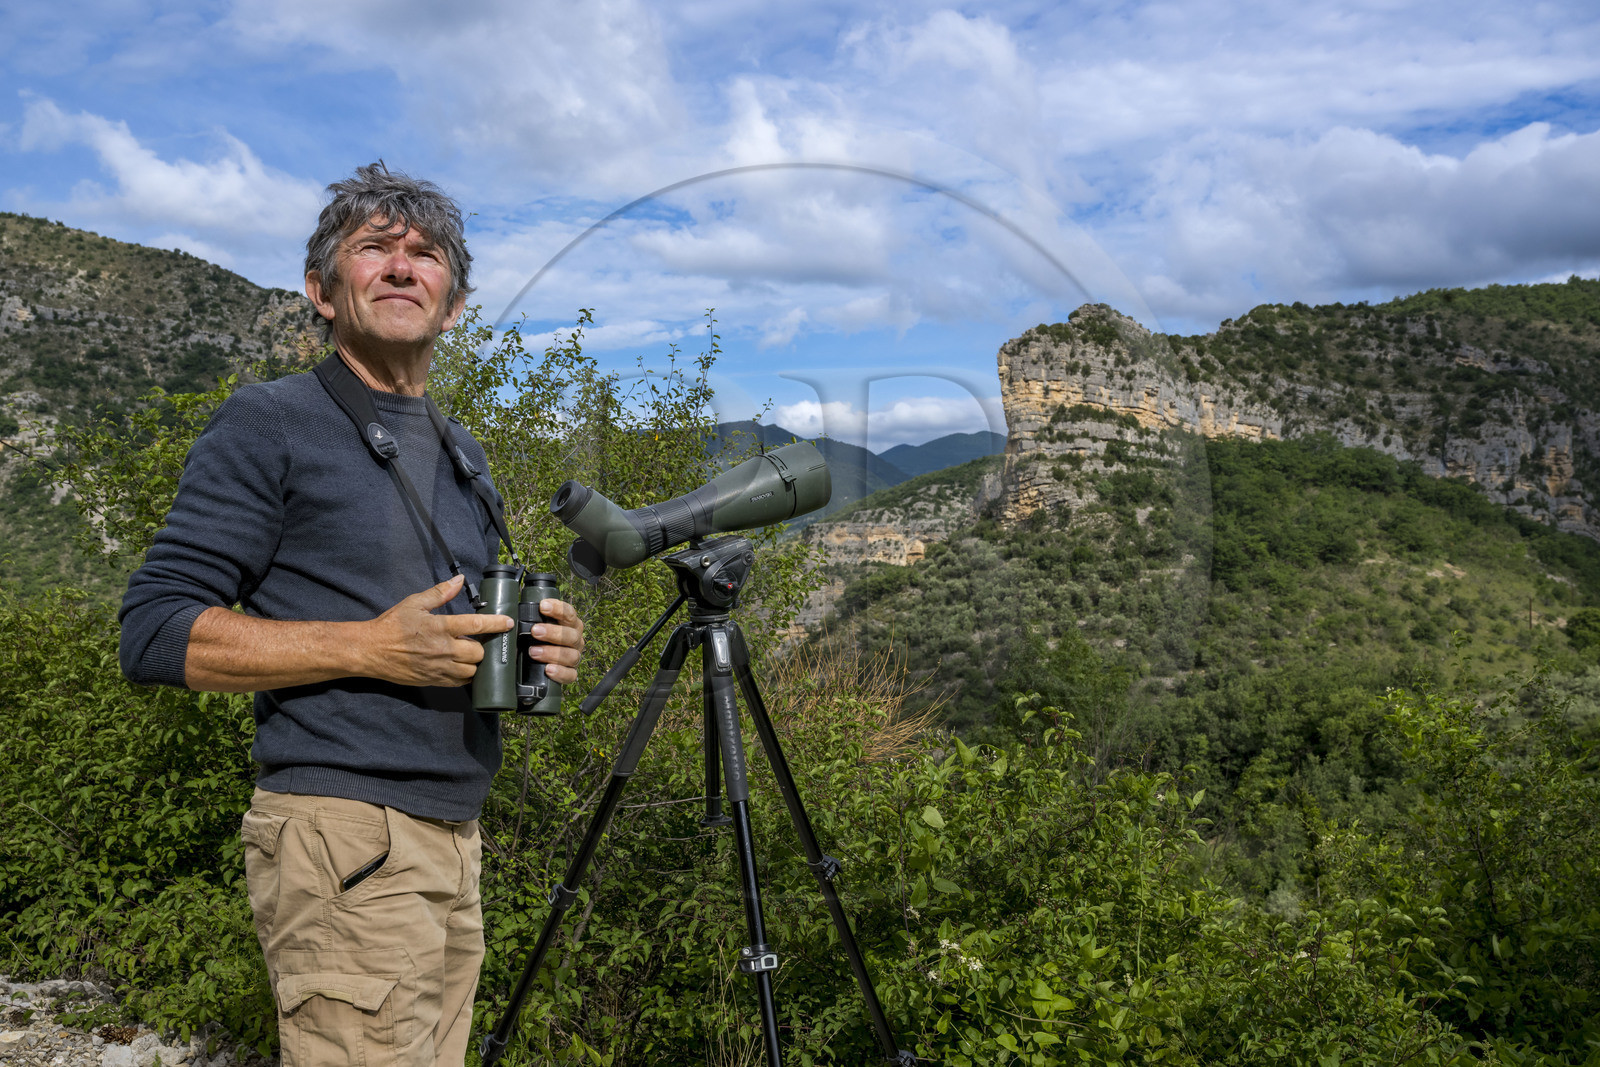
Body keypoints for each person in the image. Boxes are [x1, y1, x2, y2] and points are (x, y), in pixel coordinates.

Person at [119, 162, 585, 1067]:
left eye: (427, 255)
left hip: (455, 836)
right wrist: (374, 646)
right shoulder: (271, 422)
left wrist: (540, 649)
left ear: (455, 304)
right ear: (322, 290)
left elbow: (455, 628)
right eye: (374, 248)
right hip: (344, 832)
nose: (403, 266)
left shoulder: (462, 450)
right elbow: (154, 629)